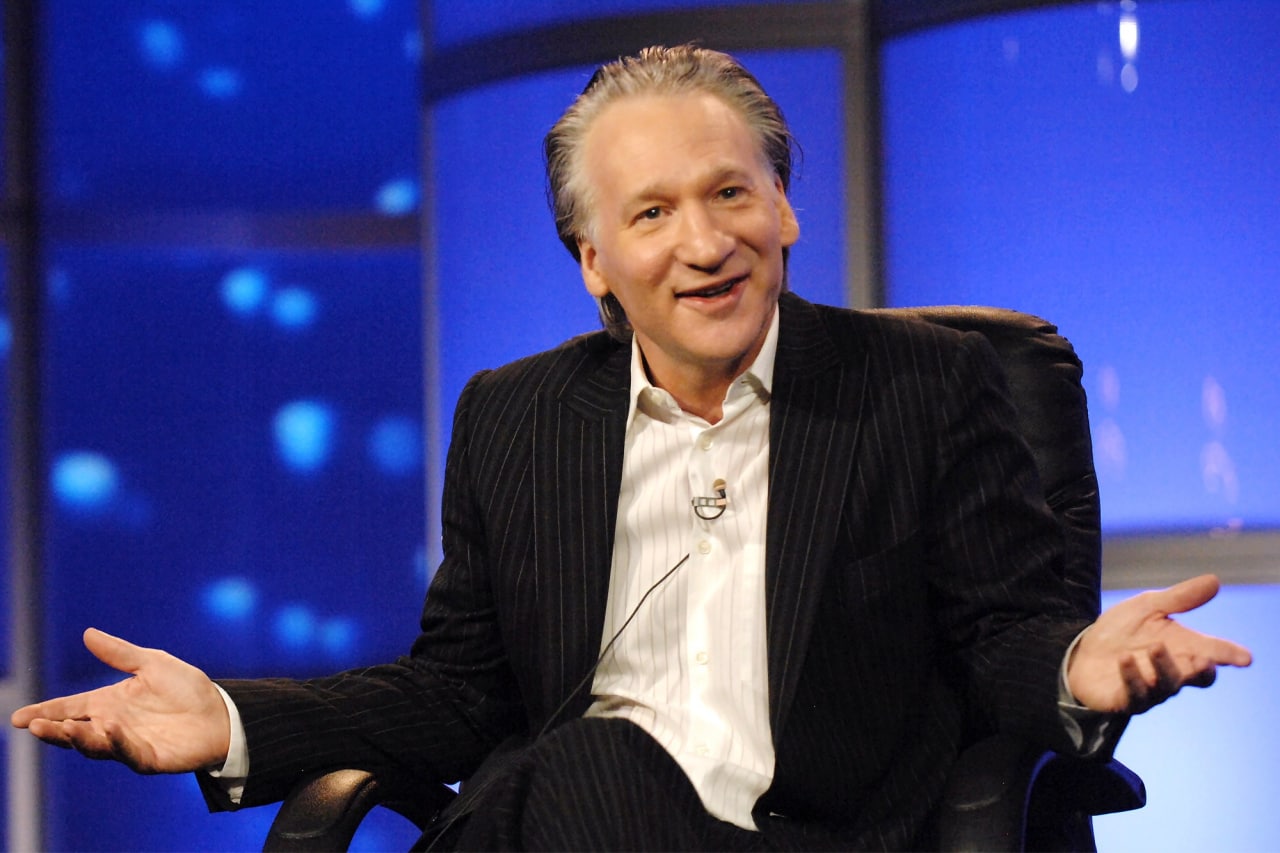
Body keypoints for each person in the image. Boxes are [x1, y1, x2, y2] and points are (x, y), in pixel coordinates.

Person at [11, 45, 1251, 850]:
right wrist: (232, 718)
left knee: (593, 763)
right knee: (579, 776)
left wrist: (1079, 659)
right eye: (651, 213)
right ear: (594, 263)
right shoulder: (515, 415)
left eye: (730, 193)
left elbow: (996, 635)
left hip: (803, 835)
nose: (703, 243)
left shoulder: (920, 386)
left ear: (784, 208)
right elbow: (457, 693)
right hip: (558, 825)